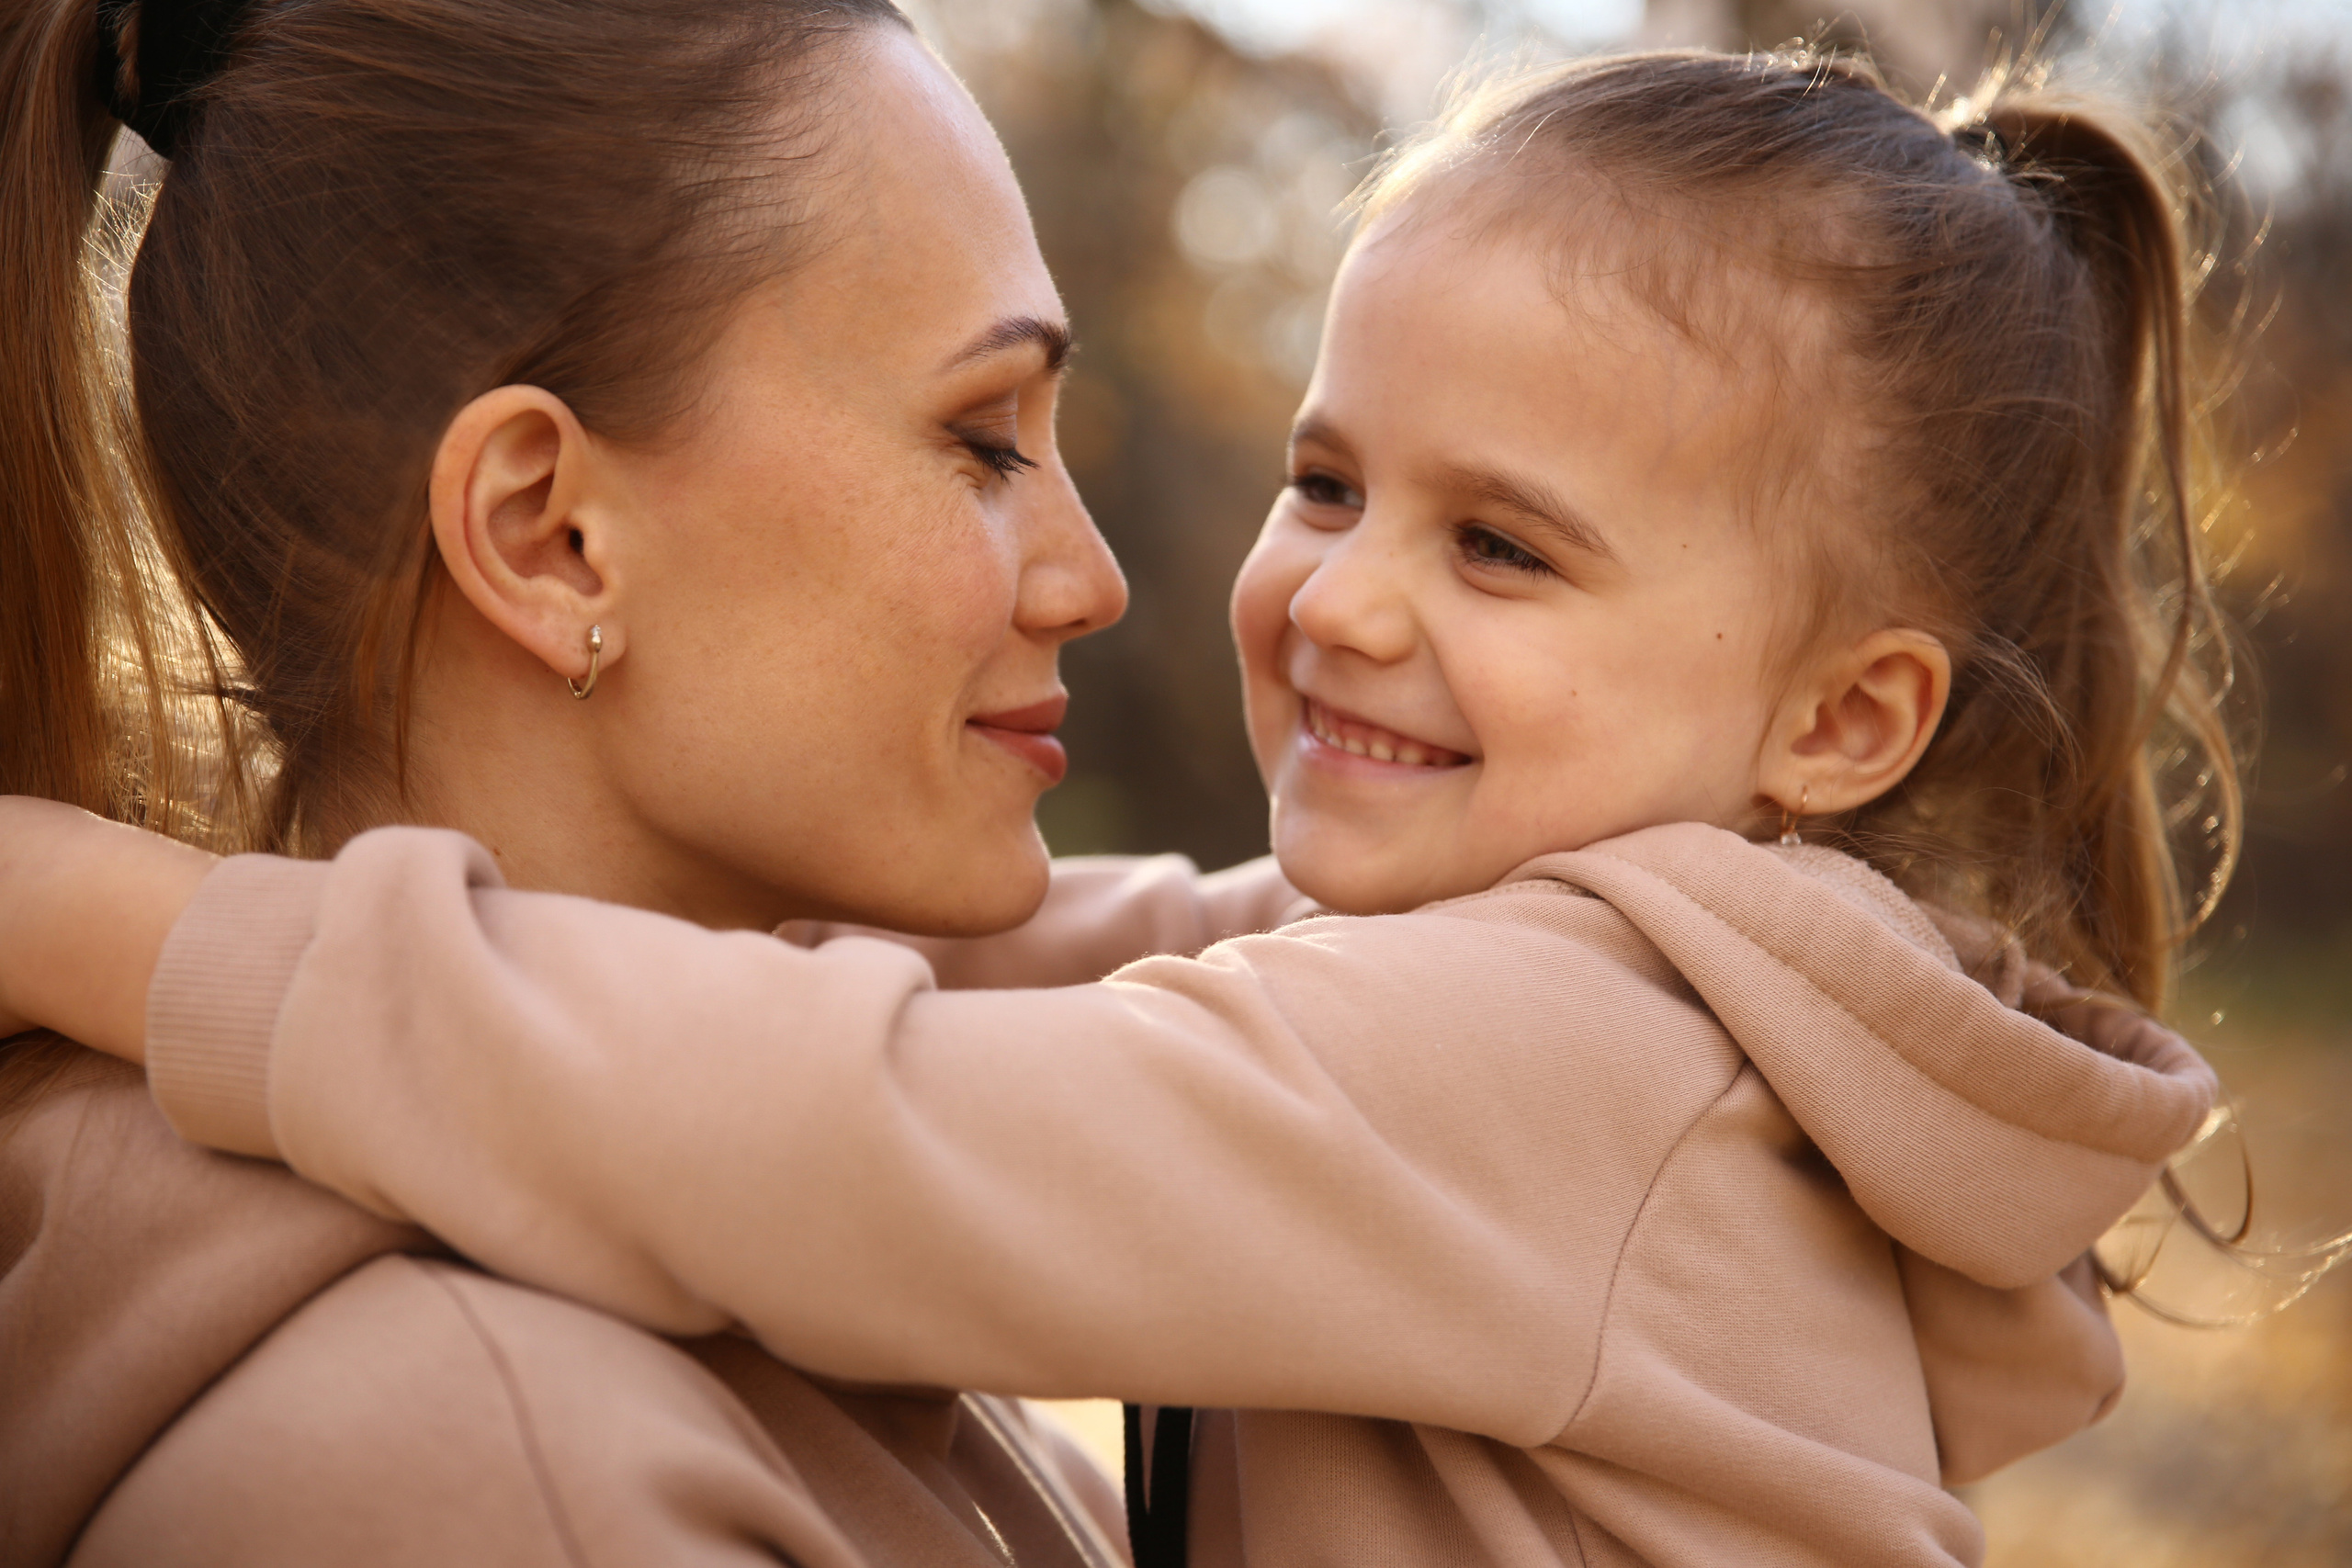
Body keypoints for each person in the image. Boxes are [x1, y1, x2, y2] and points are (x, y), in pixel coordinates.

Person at [1, 48, 2238, 1568]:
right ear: (549, 535)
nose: (1320, 595)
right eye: (1328, 480)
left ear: (1843, 724)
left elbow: (855, 1121)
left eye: (1501, 547)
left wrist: (107, 913)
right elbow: (1033, 976)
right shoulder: (480, 1459)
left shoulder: (1581, 1054)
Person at [0, 0, 1305, 1561]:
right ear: (549, 535)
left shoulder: (760, 1228)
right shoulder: (489, 1477)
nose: (1092, 580)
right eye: (982, 440)